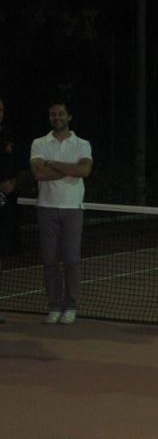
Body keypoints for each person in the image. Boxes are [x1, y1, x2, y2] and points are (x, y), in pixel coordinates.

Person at [30, 99, 93, 325]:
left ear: (69, 116)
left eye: (60, 113)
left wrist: (51, 163)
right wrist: (70, 170)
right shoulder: (38, 143)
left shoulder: (82, 144)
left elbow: (84, 170)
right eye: (53, 114)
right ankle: (54, 307)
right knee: (49, 261)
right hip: (46, 209)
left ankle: (71, 307)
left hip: (73, 209)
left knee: (71, 260)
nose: (57, 117)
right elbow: (38, 174)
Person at [0, 96, 20, 324]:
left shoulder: (10, 135)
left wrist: (13, 182)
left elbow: (21, 167)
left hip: (5, 207)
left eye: (1, 109)